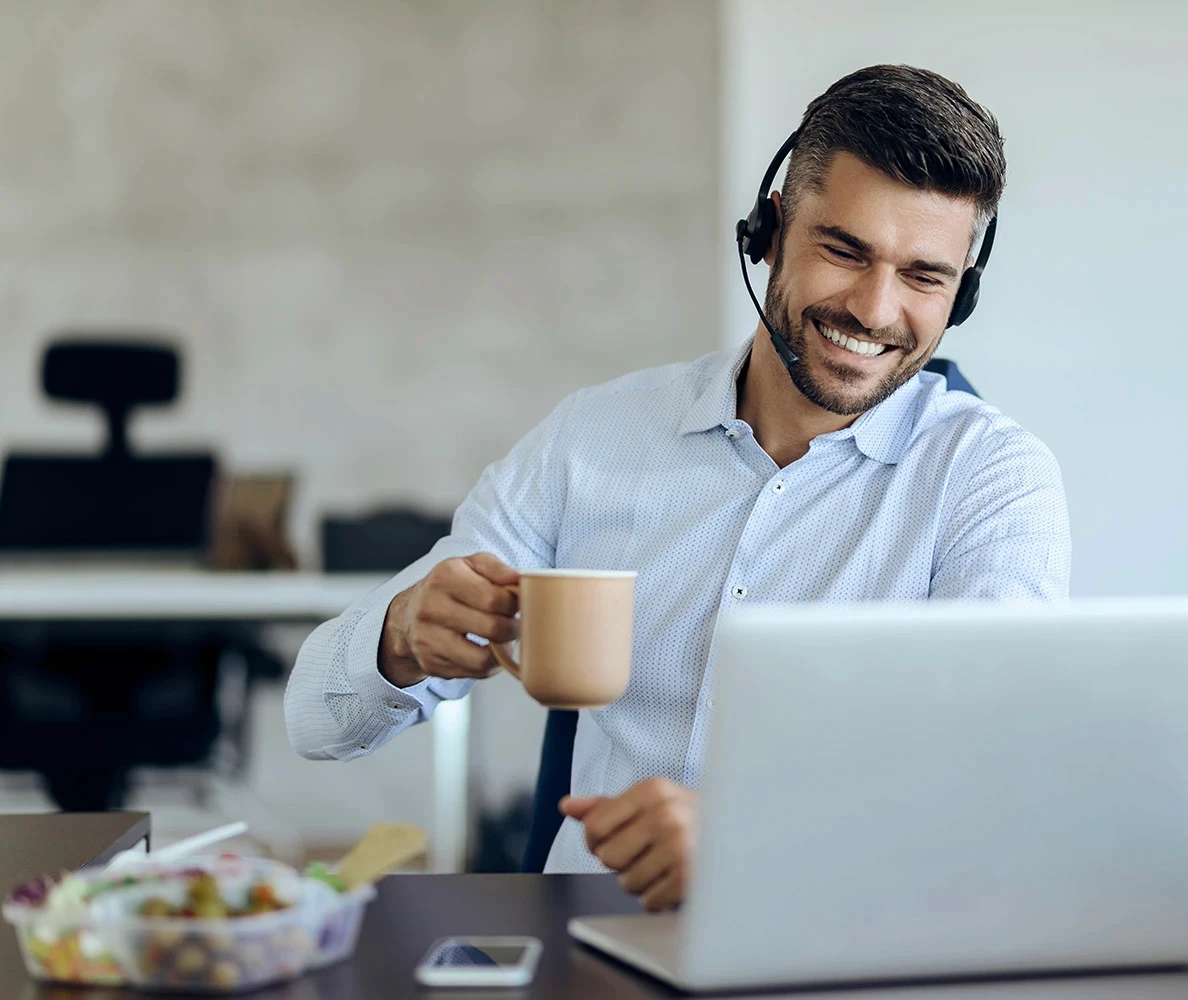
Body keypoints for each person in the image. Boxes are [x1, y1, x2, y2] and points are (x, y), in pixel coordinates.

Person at [286, 64, 1070, 911]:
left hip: (833, 950)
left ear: (964, 295)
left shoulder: (992, 481)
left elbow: (992, 787)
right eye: (843, 250)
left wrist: (748, 842)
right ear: (767, 232)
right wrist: (401, 634)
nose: (876, 310)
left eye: (925, 276)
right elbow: (314, 720)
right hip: (585, 945)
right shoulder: (593, 439)